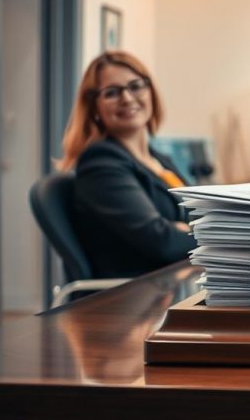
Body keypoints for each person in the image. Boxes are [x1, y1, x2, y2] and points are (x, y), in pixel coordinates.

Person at [57, 51, 196, 278]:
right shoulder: (100, 163)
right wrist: (201, 234)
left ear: (150, 91)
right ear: (94, 107)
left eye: (135, 86)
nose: (128, 98)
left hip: (172, 281)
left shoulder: (159, 159)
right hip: (130, 298)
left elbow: (198, 215)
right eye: (112, 92)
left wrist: (184, 230)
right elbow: (162, 242)